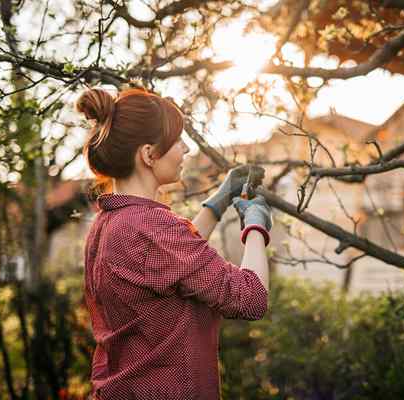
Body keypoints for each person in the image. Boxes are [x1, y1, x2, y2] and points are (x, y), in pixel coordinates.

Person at [77, 87, 272, 399]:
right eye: (177, 141)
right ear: (149, 154)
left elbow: (169, 265)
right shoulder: (152, 228)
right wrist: (257, 226)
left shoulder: (109, 223)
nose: (186, 149)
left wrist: (218, 202)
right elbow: (251, 299)